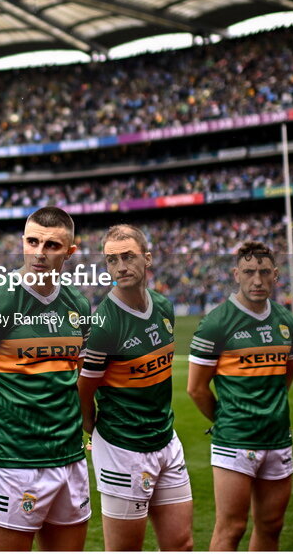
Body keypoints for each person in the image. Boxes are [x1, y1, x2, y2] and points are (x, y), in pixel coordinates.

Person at [0, 206, 92, 551]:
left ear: (70, 252)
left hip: (71, 460)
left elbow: (75, 379)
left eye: (52, 246)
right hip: (17, 465)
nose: (39, 253)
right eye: (32, 242)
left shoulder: (79, 305)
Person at [77, 224, 193, 551]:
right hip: (123, 447)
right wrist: (93, 430)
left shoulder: (164, 307)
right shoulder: (104, 325)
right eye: (112, 260)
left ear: (148, 258)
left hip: (165, 439)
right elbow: (83, 391)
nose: (120, 266)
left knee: (181, 544)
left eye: (128, 257)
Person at [186, 241, 293, 551]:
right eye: (249, 272)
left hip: (277, 437)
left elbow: (285, 377)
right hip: (235, 439)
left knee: (272, 526)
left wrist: (268, 411)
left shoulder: (287, 321)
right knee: (232, 528)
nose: (257, 280)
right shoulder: (216, 323)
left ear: (276, 275)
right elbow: (196, 389)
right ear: (236, 274)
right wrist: (227, 418)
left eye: (265, 272)